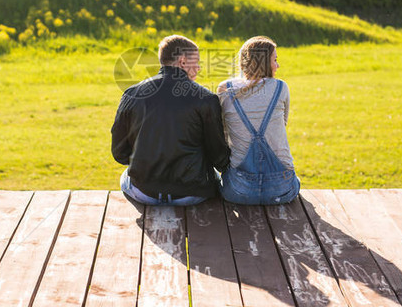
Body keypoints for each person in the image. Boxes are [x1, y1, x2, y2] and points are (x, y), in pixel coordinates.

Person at [112, 35, 231, 205]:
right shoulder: (206, 98)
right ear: (182, 62)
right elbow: (218, 156)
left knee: (126, 175)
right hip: (191, 194)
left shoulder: (132, 93)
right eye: (196, 62)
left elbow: (119, 153)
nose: (198, 68)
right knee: (215, 176)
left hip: (143, 192)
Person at [217, 36, 300, 204]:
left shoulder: (225, 88)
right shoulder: (280, 87)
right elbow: (282, 124)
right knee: (296, 182)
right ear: (263, 62)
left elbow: (224, 133)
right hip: (283, 188)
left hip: (238, 190)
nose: (278, 65)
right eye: (275, 60)